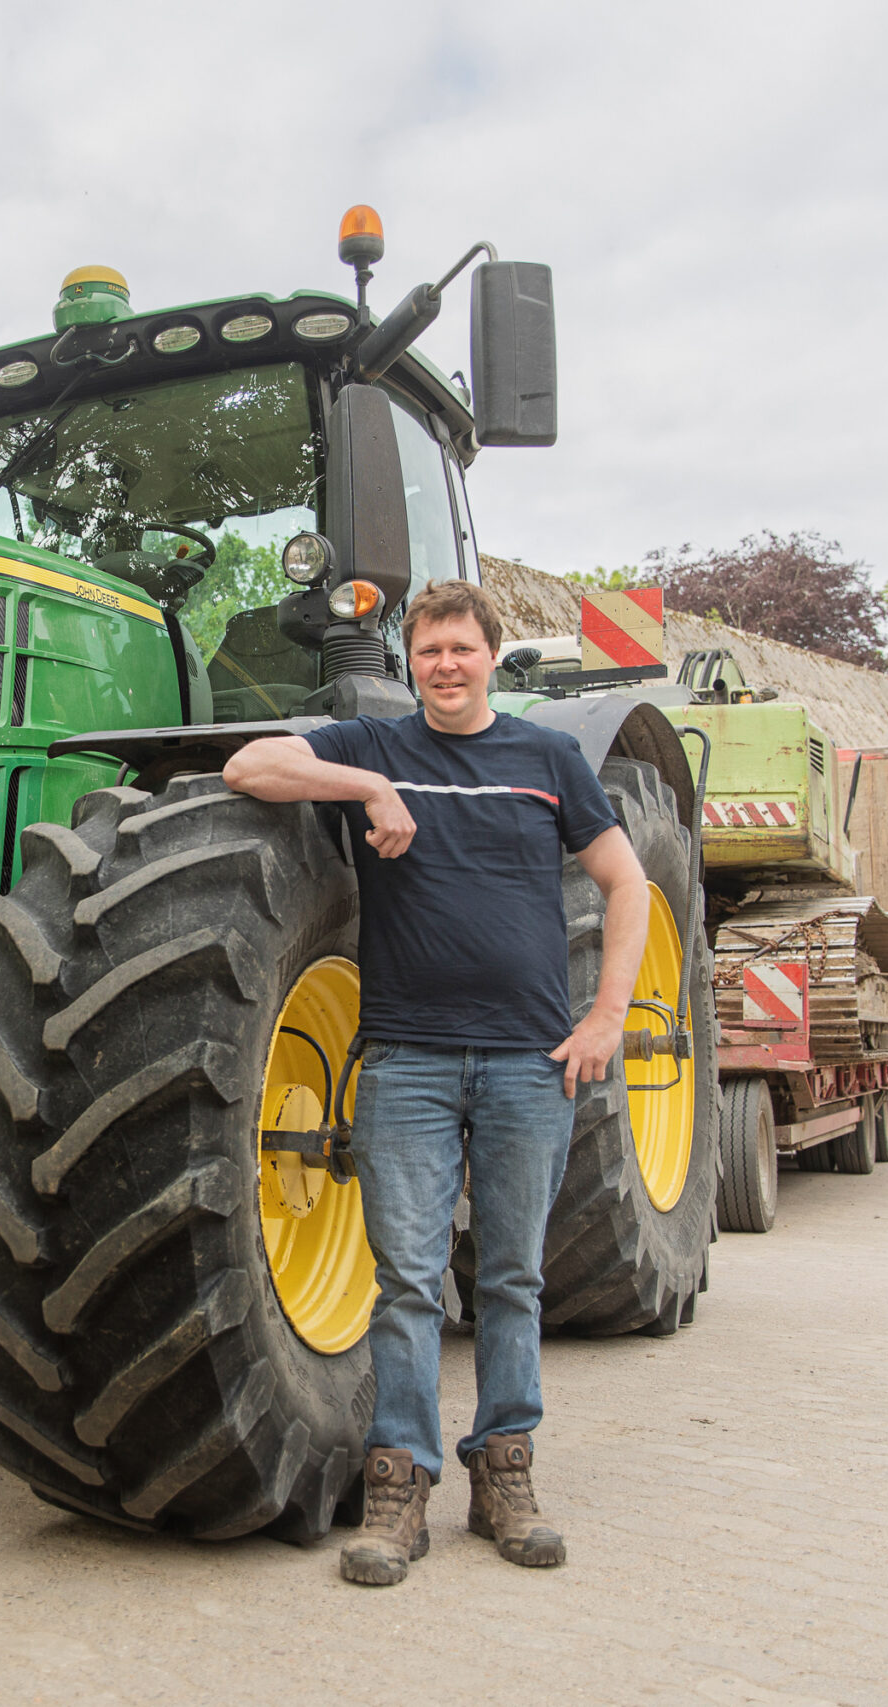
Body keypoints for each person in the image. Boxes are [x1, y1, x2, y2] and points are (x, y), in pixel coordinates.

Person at [222, 578, 652, 1587]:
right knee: (406, 1284)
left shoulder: (547, 758)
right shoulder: (377, 747)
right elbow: (250, 763)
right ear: (409, 663)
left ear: (491, 656)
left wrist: (606, 1019)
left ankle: (504, 1473)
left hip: (525, 1060)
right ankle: (399, 1484)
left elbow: (625, 881)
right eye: (428, 653)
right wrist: (367, 791)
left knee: (509, 1278)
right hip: (406, 1059)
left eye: (461, 649)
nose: (445, 667)